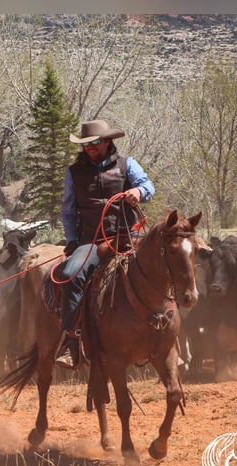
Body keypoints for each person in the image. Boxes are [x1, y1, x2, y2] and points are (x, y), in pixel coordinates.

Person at [54, 119, 156, 368]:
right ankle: (72, 340)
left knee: (163, 265)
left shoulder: (127, 165)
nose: (90, 147)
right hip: (92, 241)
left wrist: (138, 193)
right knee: (71, 274)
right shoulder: (73, 173)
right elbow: (68, 211)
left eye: (95, 142)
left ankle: (165, 331)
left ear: (108, 141)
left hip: (127, 237)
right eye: (86, 143)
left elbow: (148, 185)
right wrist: (71, 240)